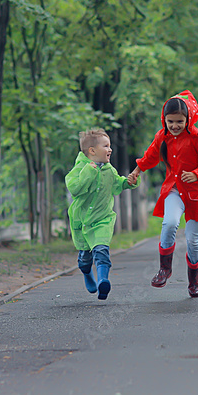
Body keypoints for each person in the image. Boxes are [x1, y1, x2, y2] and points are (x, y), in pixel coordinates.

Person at [127, 91, 198, 297]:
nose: (174, 125)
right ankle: (164, 269)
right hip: (174, 190)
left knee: (193, 239)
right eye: (170, 121)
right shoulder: (163, 137)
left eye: (179, 121)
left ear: (188, 119)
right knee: (169, 224)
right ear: (164, 120)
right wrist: (136, 172)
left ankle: (194, 280)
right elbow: (150, 156)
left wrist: (197, 174)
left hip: (197, 194)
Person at [65, 128, 137, 300]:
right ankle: (87, 274)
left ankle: (103, 280)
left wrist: (128, 182)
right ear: (92, 151)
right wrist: (89, 172)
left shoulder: (108, 169)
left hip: (103, 219)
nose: (110, 149)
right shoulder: (79, 169)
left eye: (110, 146)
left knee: (102, 250)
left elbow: (116, 184)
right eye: (106, 146)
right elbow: (75, 189)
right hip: (82, 222)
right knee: (85, 258)